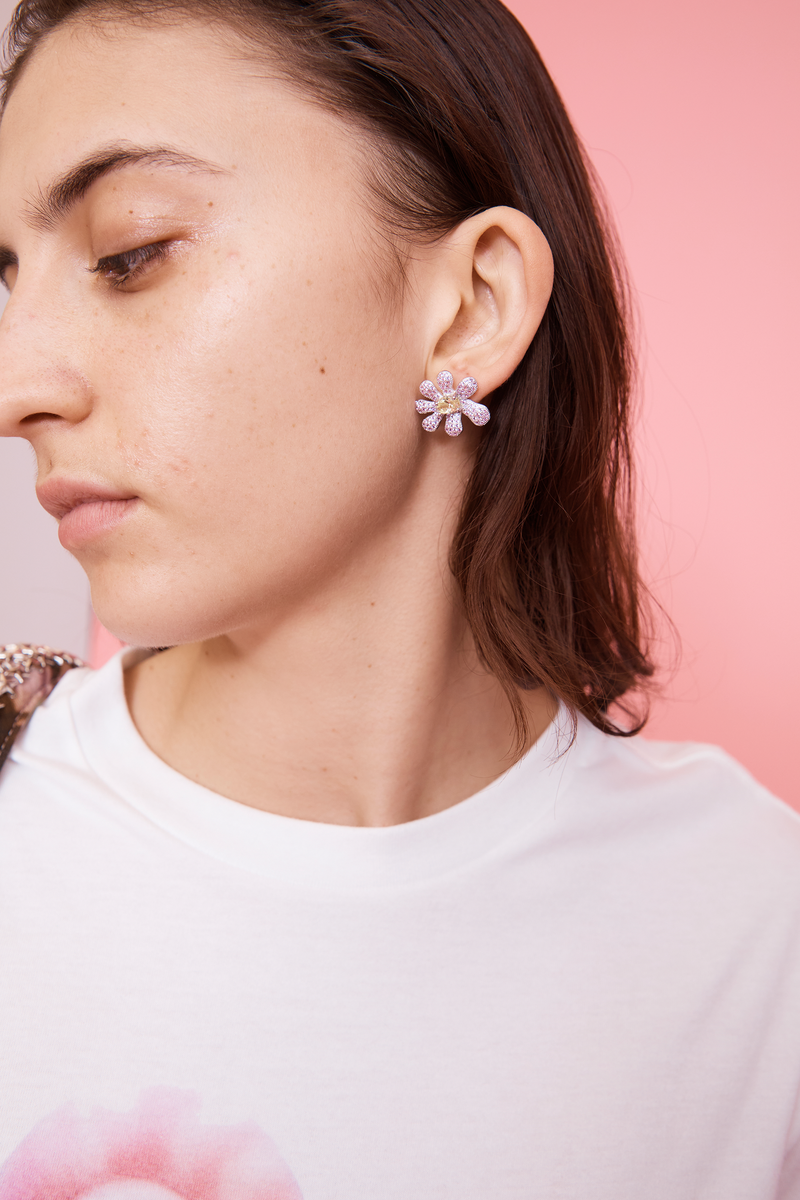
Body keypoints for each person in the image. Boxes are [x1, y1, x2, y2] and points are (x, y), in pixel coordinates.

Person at [0, 1, 798, 1196]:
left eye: (130, 252)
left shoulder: (754, 927)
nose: (19, 386)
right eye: (8, 283)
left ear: (471, 306)